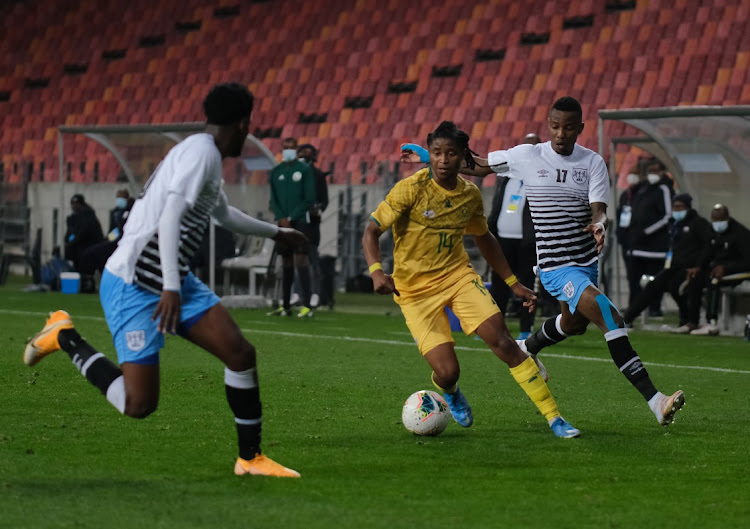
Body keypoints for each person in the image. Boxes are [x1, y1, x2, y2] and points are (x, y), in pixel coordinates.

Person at [23, 82, 303, 478]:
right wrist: (171, 286)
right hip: (134, 284)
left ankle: (250, 458)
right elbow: (170, 215)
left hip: (172, 280)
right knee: (139, 404)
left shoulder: (202, 153)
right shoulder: (201, 154)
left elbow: (222, 214)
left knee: (240, 353)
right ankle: (64, 336)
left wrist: (277, 233)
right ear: (243, 124)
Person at [402, 97, 685, 426]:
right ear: (548, 125)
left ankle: (528, 345)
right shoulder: (527, 156)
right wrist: (428, 157)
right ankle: (656, 401)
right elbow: (476, 165)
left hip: (585, 262)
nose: (560, 133)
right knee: (610, 316)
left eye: (568, 127)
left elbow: (599, 207)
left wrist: (599, 223)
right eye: (554, 126)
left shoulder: (592, 163)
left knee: (574, 324)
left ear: (579, 128)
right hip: (554, 264)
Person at [368, 121, 581, 439]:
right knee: (447, 371)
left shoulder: (470, 195)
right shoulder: (410, 189)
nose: (443, 160)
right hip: (414, 292)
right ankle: (450, 391)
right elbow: (371, 230)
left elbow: (485, 239)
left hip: (457, 277)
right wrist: (376, 270)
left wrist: (512, 282)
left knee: (504, 342)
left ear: (462, 157)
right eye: (437, 153)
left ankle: (555, 418)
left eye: (450, 153)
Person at [622, 193, 712, 333]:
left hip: (691, 268)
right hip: (674, 266)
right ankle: (627, 319)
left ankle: (689, 320)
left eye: (679, 207)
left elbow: (706, 246)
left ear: (688, 207)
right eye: (674, 207)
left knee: (676, 286)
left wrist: (698, 266)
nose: (676, 210)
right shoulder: (674, 224)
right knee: (653, 286)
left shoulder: (698, 223)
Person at [487, 134, 538, 340]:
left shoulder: (540, 176)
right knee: (499, 284)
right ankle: (496, 327)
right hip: (502, 239)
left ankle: (526, 328)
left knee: (527, 283)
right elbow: (497, 203)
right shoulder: (505, 176)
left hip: (527, 241)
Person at [266, 137, 316, 317]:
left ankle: (307, 305)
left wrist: (292, 217)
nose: (288, 150)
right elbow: (273, 199)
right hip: (282, 224)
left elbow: (309, 198)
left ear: (296, 150)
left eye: (291, 148)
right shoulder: (276, 171)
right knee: (285, 261)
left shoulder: (304, 170)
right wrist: (281, 217)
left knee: (301, 261)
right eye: (285, 148)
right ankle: (285, 305)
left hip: (300, 221)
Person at [687, 204, 750, 335]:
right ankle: (692, 322)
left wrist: (726, 267)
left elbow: (747, 261)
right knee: (695, 278)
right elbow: (707, 252)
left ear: (727, 217)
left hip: (739, 271)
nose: (717, 223)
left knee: (713, 280)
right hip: (718, 269)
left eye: (720, 219)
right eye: (714, 220)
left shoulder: (741, 234)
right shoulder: (712, 231)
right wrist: (698, 266)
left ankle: (712, 323)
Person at [628, 159, 674, 317]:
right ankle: (632, 310)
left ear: (662, 172)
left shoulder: (664, 189)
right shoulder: (642, 189)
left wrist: (648, 231)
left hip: (655, 247)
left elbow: (668, 216)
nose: (652, 174)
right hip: (637, 246)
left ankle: (654, 309)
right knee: (634, 281)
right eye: (650, 170)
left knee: (654, 282)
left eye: (656, 170)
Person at [297, 143, 329, 308]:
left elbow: (324, 200)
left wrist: (317, 209)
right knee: (295, 259)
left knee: (312, 258)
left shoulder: (318, 175)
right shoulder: (293, 174)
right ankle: (298, 293)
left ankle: (315, 293)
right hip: (296, 222)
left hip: (311, 225)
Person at [79, 189, 136, 279]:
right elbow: (113, 231)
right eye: (118, 198)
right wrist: (107, 239)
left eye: (121, 198)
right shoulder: (116, 212)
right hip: (114, 241)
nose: (119, 200)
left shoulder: (131, 211)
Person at [616, 167, 644, 309]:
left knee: (638, 277)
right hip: (626, 241)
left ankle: (641, 306)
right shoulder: (625, 195)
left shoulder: (644, 194)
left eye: (636, 174)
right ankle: (633, 305)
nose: (632, 177)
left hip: (640, 242)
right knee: (630, 276)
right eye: (631, 174)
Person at [64, 193, 104, 273]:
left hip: (88, 250)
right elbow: (72, 234)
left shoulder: (87, 216)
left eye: (76, 204)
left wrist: (71, 241)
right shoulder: (75, 217)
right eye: (73, 204)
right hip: (80, 250)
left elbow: (80, 233)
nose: (74, 206)